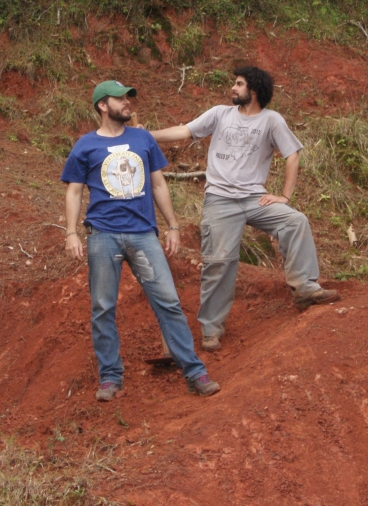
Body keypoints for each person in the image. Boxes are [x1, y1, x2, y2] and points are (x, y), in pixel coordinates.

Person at [150, 66, 339, 352]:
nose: (233, 88)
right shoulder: (219, 114)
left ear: (254, 89)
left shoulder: (272, 121)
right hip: (220, 200)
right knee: (219, 263)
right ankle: (211, 329)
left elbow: (292, 155)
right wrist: (149, 135)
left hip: (255, 199)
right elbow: (186, 131)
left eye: (239, 84)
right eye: (234, 83)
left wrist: (285, 197)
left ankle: (305, 288)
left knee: (295, 221)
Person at [61, 80, 220, 401]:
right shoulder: (85, 145)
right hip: (102, 236)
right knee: (102, 308)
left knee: (169, 303)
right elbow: (74, 191)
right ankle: (110, 377)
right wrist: (71, 232)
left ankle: (194, 372)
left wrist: (173, 225)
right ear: (102, 106)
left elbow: (158, 184)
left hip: (144, 234)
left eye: (128, 97)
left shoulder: (143, 139)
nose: (127, 102)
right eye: (119, 99)